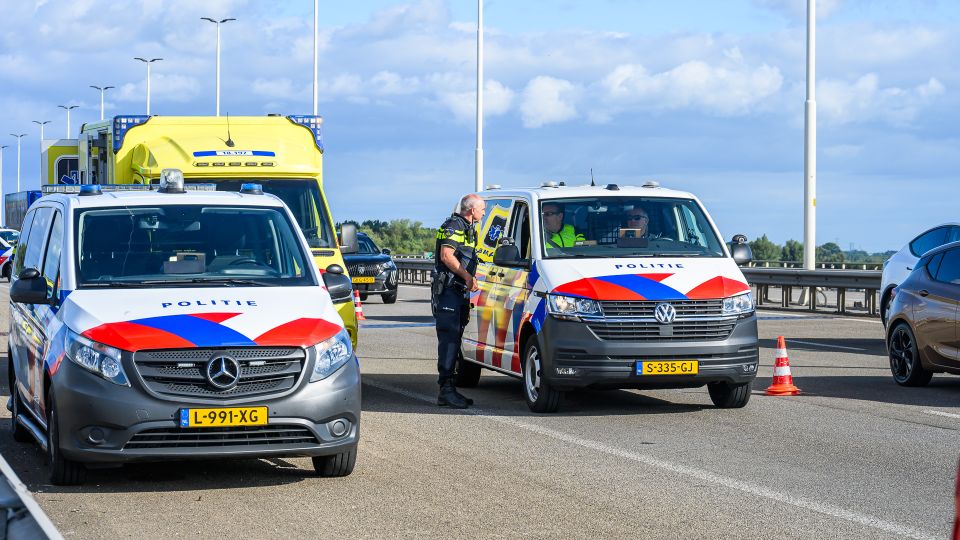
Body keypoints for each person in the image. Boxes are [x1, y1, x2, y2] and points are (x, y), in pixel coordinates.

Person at [432, 193, 485, 409]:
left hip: (457, 292)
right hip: (449, 292)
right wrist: (467, 276)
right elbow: (447, 255)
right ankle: (445, 390)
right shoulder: (455, 225)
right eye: (482, 209)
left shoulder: (467, 227)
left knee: (456, 338)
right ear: (471, 210)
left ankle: (450, 388)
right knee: (449, 340)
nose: (483, 212)